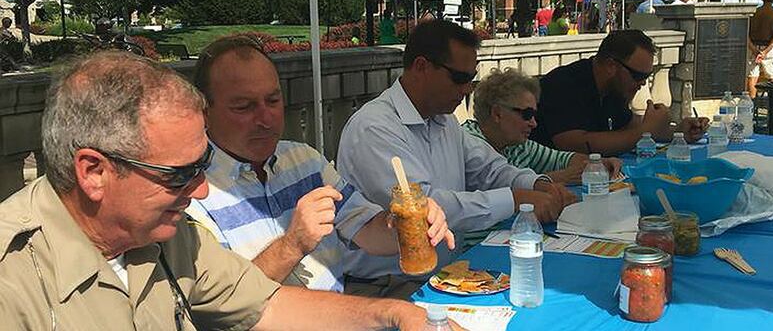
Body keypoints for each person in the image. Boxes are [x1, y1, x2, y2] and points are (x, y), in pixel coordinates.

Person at [0, 51, 431, 331]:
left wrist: (393, 314)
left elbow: (267, 304)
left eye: (203, 165)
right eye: (179, 174)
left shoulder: (167, 234)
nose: (203, 189)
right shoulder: (12, 274)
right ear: (93, 172)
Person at [186, 36, 453, 296]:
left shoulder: (304, 160)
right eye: (244, 107)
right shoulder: (191, 193)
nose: (265, 118)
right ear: (204, 112)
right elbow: (221, 306)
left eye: (273, 100)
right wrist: (292, 245)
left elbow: (369, 232)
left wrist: (407, 222)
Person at [336, 20, 576, 298]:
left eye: (471, 80)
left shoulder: (443, 119)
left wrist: (538, 185)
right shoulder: (374, 128)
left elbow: (490, 168)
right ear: (421, 67)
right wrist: (516, 199)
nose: (467, 90)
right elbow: (430, 209)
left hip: (443, 274)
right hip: (386, 286)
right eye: (459, 79)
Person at [531, 30, 709, 156]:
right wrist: (645, 132)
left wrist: (677, 132)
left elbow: (629, 126)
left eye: (646, 76)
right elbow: (572, 143)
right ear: (611, 66)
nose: (643, 83)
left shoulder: (614, 89)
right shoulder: (565, 84)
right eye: (638, 75)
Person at [463, 68, 622, 183]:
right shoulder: (470, 144)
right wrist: (556, 178)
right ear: (497, 114)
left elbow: (561, 159)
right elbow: (495, 189)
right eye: (527, 115)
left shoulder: (517, 145)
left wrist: (598, 164)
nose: (533, 123)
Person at [746, 0, 773, 97]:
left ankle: (752, 103)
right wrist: (765, 52)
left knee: (752, 76)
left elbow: (746, 34)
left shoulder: (753, 14)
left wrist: (754, 49)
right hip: (768, 48)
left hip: (752, 46)